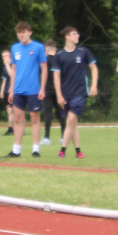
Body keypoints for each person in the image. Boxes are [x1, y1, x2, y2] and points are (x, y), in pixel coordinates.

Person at [51, 27, 98, 159]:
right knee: (73, 123)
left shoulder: (83, 51)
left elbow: (94, 68)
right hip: (65, 94)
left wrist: (94, 85)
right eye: (74, 34)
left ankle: (62, 150)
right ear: (67, 36)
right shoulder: (59, 55)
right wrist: (59, 95)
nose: (77, 36)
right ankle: (78, 151)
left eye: (78, 33)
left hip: (80, 93)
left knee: (71, 119)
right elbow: (56, 77)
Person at [6, 22, 47, 157]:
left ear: (30, 32)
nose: (21, 35)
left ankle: (36, 149)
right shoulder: (15, 48)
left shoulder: (38, 47)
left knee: (35, 118)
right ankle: (16, 150)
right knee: (18, 118)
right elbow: (14, 69)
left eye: (23, 32)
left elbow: (44, 69)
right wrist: (11, 89)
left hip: (33, 89)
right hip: (18, 89)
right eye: (19, 32)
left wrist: (42, 88)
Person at [41, 39, 64, 146]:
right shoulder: (60, 59)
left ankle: (47, 137)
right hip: (59, 89)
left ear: (46, 49)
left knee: (47, 113)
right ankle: (63, 136)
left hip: (47, 89)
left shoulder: (44, 60)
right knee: (61, 113)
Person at [0, 49, 14, 135]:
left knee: (14, 110)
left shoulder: (13, 65)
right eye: (3, 56)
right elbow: (4, 80)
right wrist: (2, 91)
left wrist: (7, 64)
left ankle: (14, 128)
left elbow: (12, 75)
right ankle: (10, 128)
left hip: (13, 90)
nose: (5, 58)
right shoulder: (5, 67)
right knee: (9, 111)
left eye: (6, 56)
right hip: (6, 91)